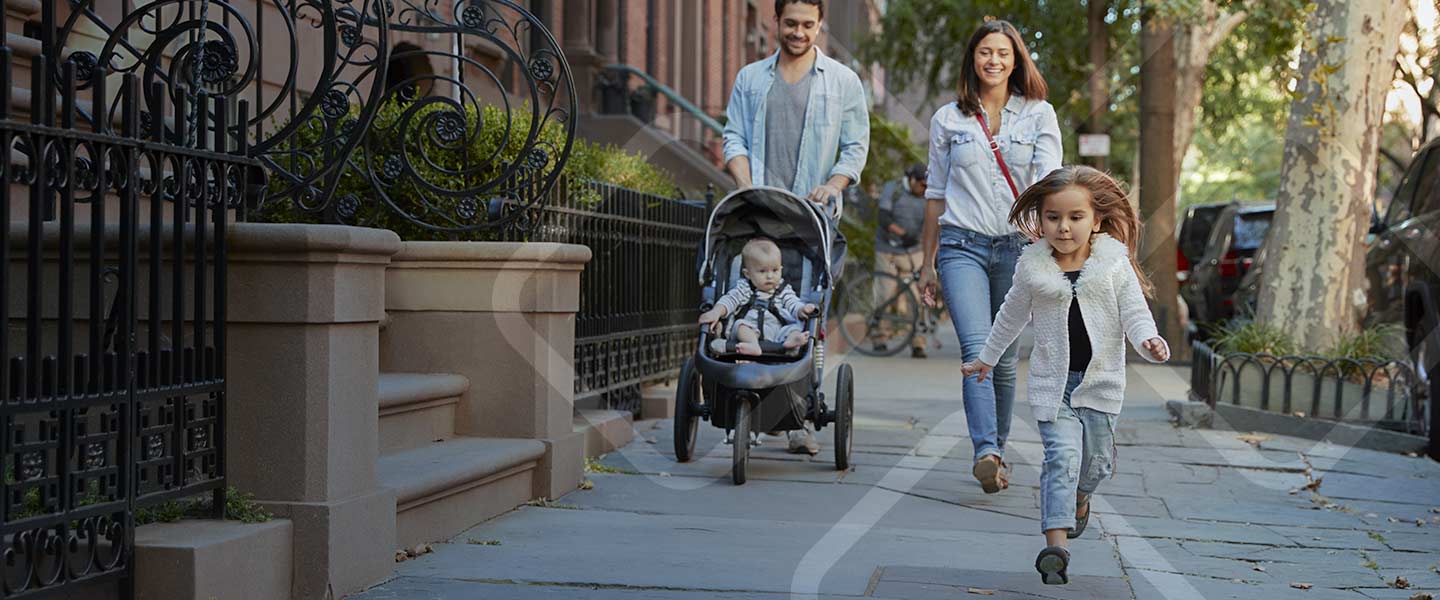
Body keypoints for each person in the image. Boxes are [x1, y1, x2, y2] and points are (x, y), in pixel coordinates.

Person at [960, 166, 1170, 586]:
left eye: (1076, 217)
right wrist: (986, 358)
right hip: (1053, 386)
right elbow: (1010, 316)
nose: (1063, 227)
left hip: (1102, 385)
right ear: (1040, 219)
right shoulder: (1032, 268)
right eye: (1053, 217)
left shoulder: (1112, 264)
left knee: (1091, 468)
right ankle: (1056, 546)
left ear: (1096, 221)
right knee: (1061, 458)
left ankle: (1080, 498)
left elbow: (1134, 310)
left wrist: (1149, 339)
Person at [917, 19, 1062, 493]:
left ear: (1016, 59)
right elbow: (935, 194)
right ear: (972, 60)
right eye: (985, 52)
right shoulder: (948, 120)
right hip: (961, 245)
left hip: (1018, 249)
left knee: (1002, 358)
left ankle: (994, 454)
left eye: (1002, 52)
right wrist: (927, 262)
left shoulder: (1039, 114)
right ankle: (985, 449)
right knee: (978, 348)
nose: (993, 60)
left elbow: (1051, 185)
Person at [722, 0, 869, 455]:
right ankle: (742, 399)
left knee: (804, 312)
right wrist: (745, 187)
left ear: (820, 25)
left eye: (808, 25)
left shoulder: (843, 81)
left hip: (812, 219)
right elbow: (734, 137)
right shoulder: (751, 78)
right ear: (776, 23)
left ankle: (796, 421)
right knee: (750, 306)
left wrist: (833, 184)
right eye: (791, 23)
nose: (799, 32)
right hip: (759, 214)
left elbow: (855, 146)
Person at [699, 238, 818, 356]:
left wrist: (802, 309)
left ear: (781, 269)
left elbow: (793, 303)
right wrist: (716, 312)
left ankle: (792, 341)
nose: (770, 276)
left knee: (794, 329)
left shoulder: (783, 290)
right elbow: (729, 300)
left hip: (777, 334)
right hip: (750, 331)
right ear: (748, 274)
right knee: (740, 325)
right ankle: (753, 345)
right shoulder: (744, 289)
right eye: (762, 271)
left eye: (775, 270)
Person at [872, 164, 931, 358]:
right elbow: (883, 217)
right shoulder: (893, 188)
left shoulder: (928, 195)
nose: (924, 190)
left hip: (914, 250)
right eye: (922, 185)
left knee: (917, 296)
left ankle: (918, 343)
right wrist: (902, 233)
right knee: (884, 293)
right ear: (912, 179)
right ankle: (880, 337)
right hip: (888, 249)